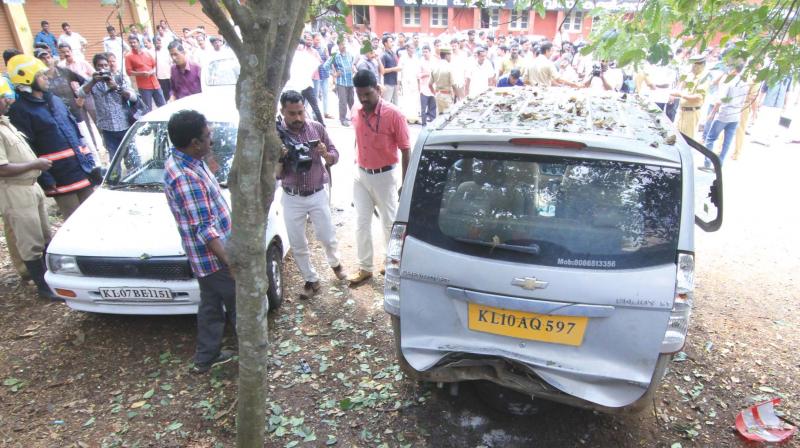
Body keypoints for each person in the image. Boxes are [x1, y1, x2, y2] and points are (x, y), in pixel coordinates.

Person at [163, 109, 235, 374]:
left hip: (205, 258)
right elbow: (205, 228)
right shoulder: (185, 177)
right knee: (242, 305)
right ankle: (253, 358)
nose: (211, 141)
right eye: (207, 137)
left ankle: (207, 356)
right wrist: (229, 261)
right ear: (194, 143)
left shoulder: (189, 160)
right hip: (214, 259)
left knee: (210, 305)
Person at [275, 91, 347, 299]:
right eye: (292, 114)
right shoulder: (277, 136)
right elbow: (276, 175)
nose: (297, 118)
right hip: (292, 196)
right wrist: (281, 158)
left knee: (327, 235)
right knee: (298, 242)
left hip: (316, 193)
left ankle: (335, 264)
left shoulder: (316, 128)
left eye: (300, 113)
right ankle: (310, 278)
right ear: (283, 112)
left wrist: (325, 153)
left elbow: (335, 157)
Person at [7, 54, 95, 219]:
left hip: (81, 171)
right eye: (40, 75)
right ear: (27, 80)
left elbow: (75, 133)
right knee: (74, 223)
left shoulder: (55, 101)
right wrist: (45, 178)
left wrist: (89, 160)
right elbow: (28, 148)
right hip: (60, 179)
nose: (47, 78)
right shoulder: (20, 111)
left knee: (93, 218)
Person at [348, 70, 410, 286]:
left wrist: (406, 183)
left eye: (367, 94)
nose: (363, 99)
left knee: (389, 223)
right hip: (361, 175)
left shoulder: (394, 114)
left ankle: (391, 263)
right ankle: (365, 268)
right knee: (361, 223)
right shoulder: (356, 110)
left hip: (385, 177)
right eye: (359, 95)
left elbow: (405, 149)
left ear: (378, 89)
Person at [0, 77, 58, 300]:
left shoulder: (6, 123)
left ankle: (49, 281)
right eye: (2, 98)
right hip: (15, 191)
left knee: (43, 234)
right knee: (29, 240)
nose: (7, 101)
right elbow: (2, 168)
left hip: (31, 186)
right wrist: (35, 164)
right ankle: (43, 288)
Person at [79, 53, 137, 159]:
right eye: (99, 66)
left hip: (124, 126)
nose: (103, 69)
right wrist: (93, 81)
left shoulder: (119, 78)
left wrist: (117, 87)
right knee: (114, 162)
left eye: (105, 65)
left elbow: (133, 97)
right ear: (95, 67)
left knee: (133, 160)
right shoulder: (91, 81)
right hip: (107, 129)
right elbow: (80, 93)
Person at [704, 62, 748, 166]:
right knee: (727, 143)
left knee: (710, 138)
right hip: (736, 114)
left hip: (724, 114)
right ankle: (720, 163)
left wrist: (712, 113)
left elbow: (720, 100)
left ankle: (707, 162)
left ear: (733, 69)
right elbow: (744, 100)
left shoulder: (729, 81)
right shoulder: (745, 83)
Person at [285, 42, 325, 125]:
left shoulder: (305, 55)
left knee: (313, 106)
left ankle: (321, 123)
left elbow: (317, 63)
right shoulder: (295, 56)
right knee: (302, 106)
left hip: (305, 85)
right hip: (299, 85)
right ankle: (304, 123)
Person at [125, 34, 166, 110]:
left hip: (155, 84)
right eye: (130, 43)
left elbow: (155, 65)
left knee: (163, 105)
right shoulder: (128, 56)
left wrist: (152, 72)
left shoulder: (147, 53)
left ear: (138, 42)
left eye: (134, 42)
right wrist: (141, 74)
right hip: (144, 86)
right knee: (148, 109)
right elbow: (129, 72)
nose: (133, 44)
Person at [674, 54, 710, 141]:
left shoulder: (704, 79)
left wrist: (681, 94)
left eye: (696, 65)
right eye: (693, 65)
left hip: (692, 112)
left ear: (702, 66)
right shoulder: (689, 76)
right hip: (681, 111)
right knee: (676, 136)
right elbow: (679, 87)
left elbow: (698, 97)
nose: (694, 67)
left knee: (687, 139)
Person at [325, 39, 355, 126]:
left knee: (351, 101)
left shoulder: (350, 55)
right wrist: (334, 74)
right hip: (341, 82)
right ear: (338, 45)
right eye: (342, 44)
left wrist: (353, 69)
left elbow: (352, 64)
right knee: (343, 101)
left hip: (350, 81)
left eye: (345, 44)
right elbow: (326, 66)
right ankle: (342, 119)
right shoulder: (335, 56)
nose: (344, 46)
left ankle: (354, 117)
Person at [311, 33, 333, 119]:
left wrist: (328, 67)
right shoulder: (311, 49)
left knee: (325, 93)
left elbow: (328, 59)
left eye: (319, 40)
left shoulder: (324, 48)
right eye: (316, 40)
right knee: (315, 94)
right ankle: (314, 113)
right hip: (315, 74)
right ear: (313, 40)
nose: (318, 41)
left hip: (324, 73)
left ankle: (326, 112)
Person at [430, 46, 454, 115]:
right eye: (450, 55)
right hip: (447, 96)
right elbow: (454, 85)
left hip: (438, 95)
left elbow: (429, 84)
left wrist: (435, 93)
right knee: (449, 116)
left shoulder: (435, 67)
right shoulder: (449, 67)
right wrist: (457, 96)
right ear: (446, 55)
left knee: (439, 116)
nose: (451, 57)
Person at [418, 45, 437, 126]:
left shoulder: (435, 61)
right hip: (424, 88)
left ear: (430, 52)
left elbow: (436, 73)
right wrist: (426, 74)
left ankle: (433, 124)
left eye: (426, 52)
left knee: (432, 108)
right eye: (423, 52)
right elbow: (418, 75)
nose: (425, 53)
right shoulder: (420, 62)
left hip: (433, 88)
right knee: (423, 108)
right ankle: (424, 124)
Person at [379, 36, 401, 105]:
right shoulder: (383, 55)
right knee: (386, 104)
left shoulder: (393, 53)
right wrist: (394, 69)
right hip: (387, 83)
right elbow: (382, 71)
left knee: (396, 104)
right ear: (385, 43)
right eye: (390, 42)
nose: (392, 43)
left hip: (395, 82)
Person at [153, 36, 173, 100]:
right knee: (165, 93)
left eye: (159, 43)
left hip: (169, 75)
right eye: (156, 43)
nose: (158, 44)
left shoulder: (166, 51)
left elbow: (171, 63)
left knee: (172, 92)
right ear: (154, 43)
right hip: (160, 77)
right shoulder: (153, 53)